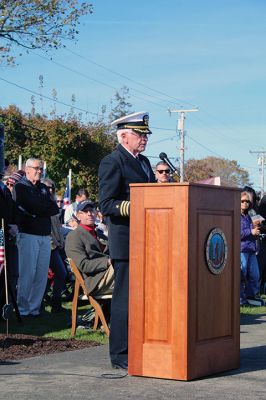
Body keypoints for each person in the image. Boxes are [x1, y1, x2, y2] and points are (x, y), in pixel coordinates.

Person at [98, 111, 155, 370]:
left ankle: (142, 346)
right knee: (125, 300)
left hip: (148, 240)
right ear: (123, 136)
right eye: (140, 134)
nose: (144, 139)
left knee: (145, 299)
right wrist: (140, 205)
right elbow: (107, 203)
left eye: (145, 134)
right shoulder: (113, 161)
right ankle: (120, 354)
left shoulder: (144, 162)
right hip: (127, 242)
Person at [13, 158, 59, 316]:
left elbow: (53, 208)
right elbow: (34, 206)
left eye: (41, 169)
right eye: (36, 168)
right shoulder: (21, 187)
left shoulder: (43, 188)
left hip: (44, 235)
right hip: (28, 234)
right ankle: (23, 308)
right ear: (27, 169)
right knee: (27, 273)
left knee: (41, 273)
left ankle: (34, 308)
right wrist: (39, 209)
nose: (39, 171)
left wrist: (37, 211)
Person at [65, 200, 114, 299]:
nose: (89, 214)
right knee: (125, 267)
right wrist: (108, 262)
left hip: (108, 275)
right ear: (78, 216)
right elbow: (83, 265)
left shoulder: (99, 234)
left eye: (91, 210)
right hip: (94, 282)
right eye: (85, 211)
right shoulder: (74, 236)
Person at [43, 178, 67, 313]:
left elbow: (57, 226)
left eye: (52, 187)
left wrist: (61, 240)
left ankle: (50, 301)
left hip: (56, 245)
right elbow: (48, 228)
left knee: (56, 274)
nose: (50, 190)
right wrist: (56, 241)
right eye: (47, 188)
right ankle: (54, 302)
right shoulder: (43, 204)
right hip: (48, 245)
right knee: (60, 273)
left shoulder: (52, 203)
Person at [240, 191, 263, 306]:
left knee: (255, 275)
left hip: (252, 249)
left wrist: (257, 228)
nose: (245, 203)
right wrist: (251, 231)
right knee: (241, 275)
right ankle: (240, 299)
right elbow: (236, 233)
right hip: (242, 250)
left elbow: (254, 232)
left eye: (247, 201)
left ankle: (250, 297)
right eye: (242, 201)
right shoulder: (235, 215)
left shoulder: (250, 216)